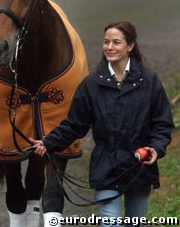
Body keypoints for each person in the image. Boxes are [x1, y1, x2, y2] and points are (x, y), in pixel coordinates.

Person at [29, 21, 174, 227]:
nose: (109, 47)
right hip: (106, 167)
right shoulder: (91, 84)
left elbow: (162, 123)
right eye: (106, 42)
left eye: (116, 42)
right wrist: (48, 142)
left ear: (130, 46)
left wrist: (156, 149)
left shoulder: (149, 81)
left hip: (140, 168)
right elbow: (74, 124)